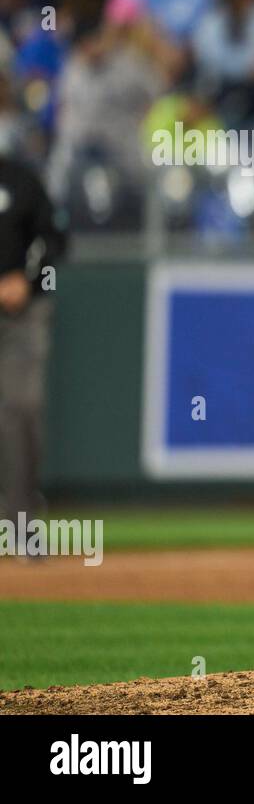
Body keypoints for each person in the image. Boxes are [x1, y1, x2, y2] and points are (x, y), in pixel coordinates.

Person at [0, 153, 67, 544]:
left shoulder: (21, 179)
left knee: (22, 408)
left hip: (22, 314)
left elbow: (56, 241)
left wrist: (29, 281)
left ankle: (22, 526)